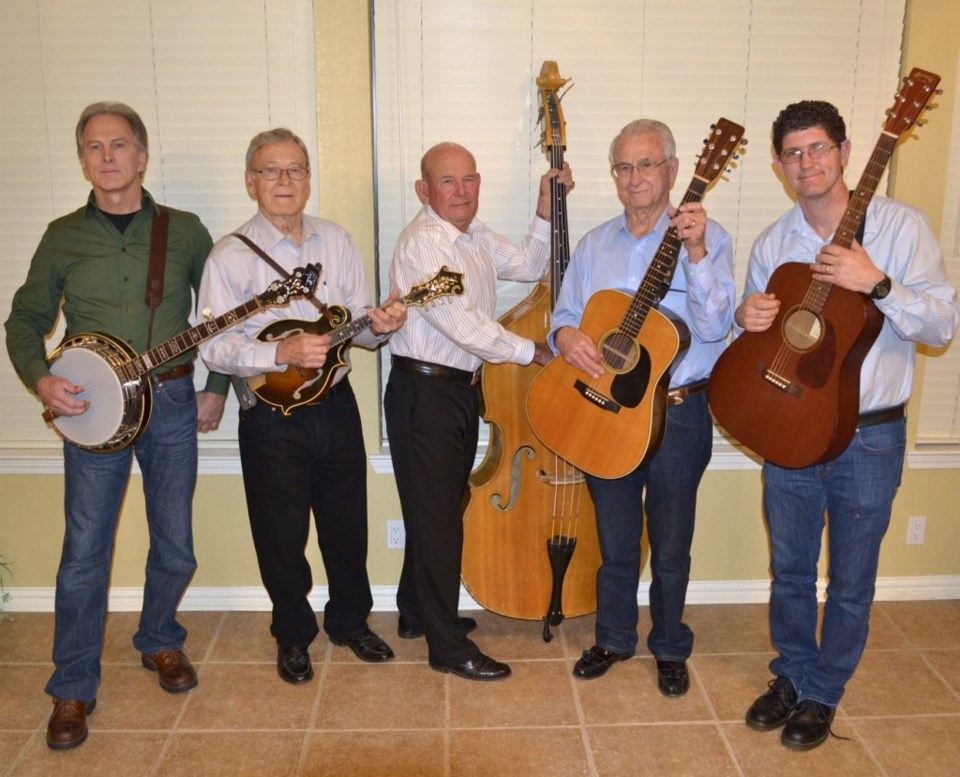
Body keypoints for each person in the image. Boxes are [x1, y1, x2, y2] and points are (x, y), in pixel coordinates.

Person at [4, 102, 228, 751]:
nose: (107, 157)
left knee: (176, 540)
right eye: (94, 147)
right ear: (82, 160)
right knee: (84, 554)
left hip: (174, 401)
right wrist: (41, 378)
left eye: (119, 144)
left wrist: (217, 387)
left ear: (142, 156)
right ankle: (72, 682)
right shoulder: (60, 237)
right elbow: (24, 320)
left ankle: (158, 637)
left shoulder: (184, 230)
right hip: (92, 413)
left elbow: (221, 313)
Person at [738, 101, 958, 751]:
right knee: (791, 568)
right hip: (793, 432)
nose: (807, 162)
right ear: (779, 165)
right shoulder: (775, 243)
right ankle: (794, 672)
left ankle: (824, 691)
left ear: (844, 151)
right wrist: (747, 321)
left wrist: (878, 283)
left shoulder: (901, 228)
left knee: (852, 579)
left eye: (818, 148)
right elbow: (766, 347)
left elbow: (942, 325)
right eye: (793, 153)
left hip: (871, 435)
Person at [197, 127, 406, 686]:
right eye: (272, 170)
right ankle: (292, 634)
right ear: (251, 181)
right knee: (280, 533)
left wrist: (380, 325)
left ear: (310, 180)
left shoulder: (336, 240)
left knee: (347, 524)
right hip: (269, 419)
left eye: (296, 170)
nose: (285, 181)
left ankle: (350, 622)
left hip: (336, 405)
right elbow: (213, 344)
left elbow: (356, 327)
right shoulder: (228, 256)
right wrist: (277, 351)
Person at [549, 119, 735, 696]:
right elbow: (563, 316)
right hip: (608, 411)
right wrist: (566, 340)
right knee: (616, 536)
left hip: (679, 412)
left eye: (648, 164)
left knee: (673, 541)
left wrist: (698, 252)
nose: (636, 177)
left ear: (675, 170)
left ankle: (671, 645)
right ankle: (613, 637)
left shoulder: (708, 237)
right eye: (624, 166)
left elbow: (715, 325)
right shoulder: (594, 243)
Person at [385, 141, 573, 681]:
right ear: (424, 190)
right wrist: (535, 350)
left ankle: (416, 611)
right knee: (439, 520)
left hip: (459, 389)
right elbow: (463, 325)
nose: (462, 190)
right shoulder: (424, 244)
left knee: (436, 507)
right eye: (448, 182)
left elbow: (531, 263)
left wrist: (544, 205)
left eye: (469, 179)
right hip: (425, 395)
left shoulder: (474, 233)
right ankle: (447, 648)